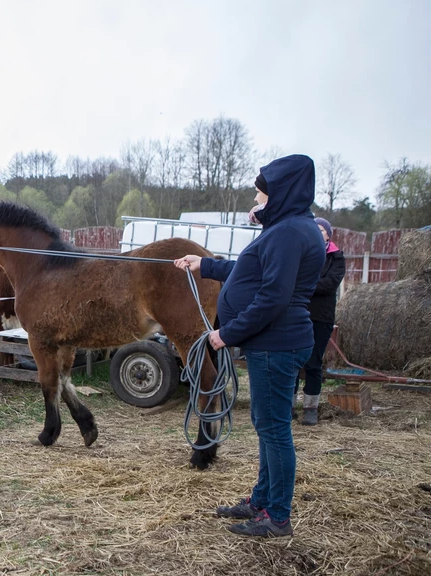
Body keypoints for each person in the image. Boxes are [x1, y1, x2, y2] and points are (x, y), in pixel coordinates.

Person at [174, 154, 326, 538]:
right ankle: (261, 500)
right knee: (266, 425)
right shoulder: (288, 228)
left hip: (276, 344)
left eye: (260, 197)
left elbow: (273, 297)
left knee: (274, 429)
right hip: (274, 343)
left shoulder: (290, 233)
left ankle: (276, 516)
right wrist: (204, 265)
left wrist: (227, 334)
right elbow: (248, 268)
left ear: (280, 194)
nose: (256, 204)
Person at [295, 217, 345, 425]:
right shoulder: (301, 253)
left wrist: (304, 285)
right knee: (293, 362)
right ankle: (287, 405)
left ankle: (310, 408)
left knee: (313, 363)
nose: (316, 232)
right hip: (297, 314)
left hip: (320, 317)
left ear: (328, 234)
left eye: (321, 229)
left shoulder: (336, 257)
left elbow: (329, 284)